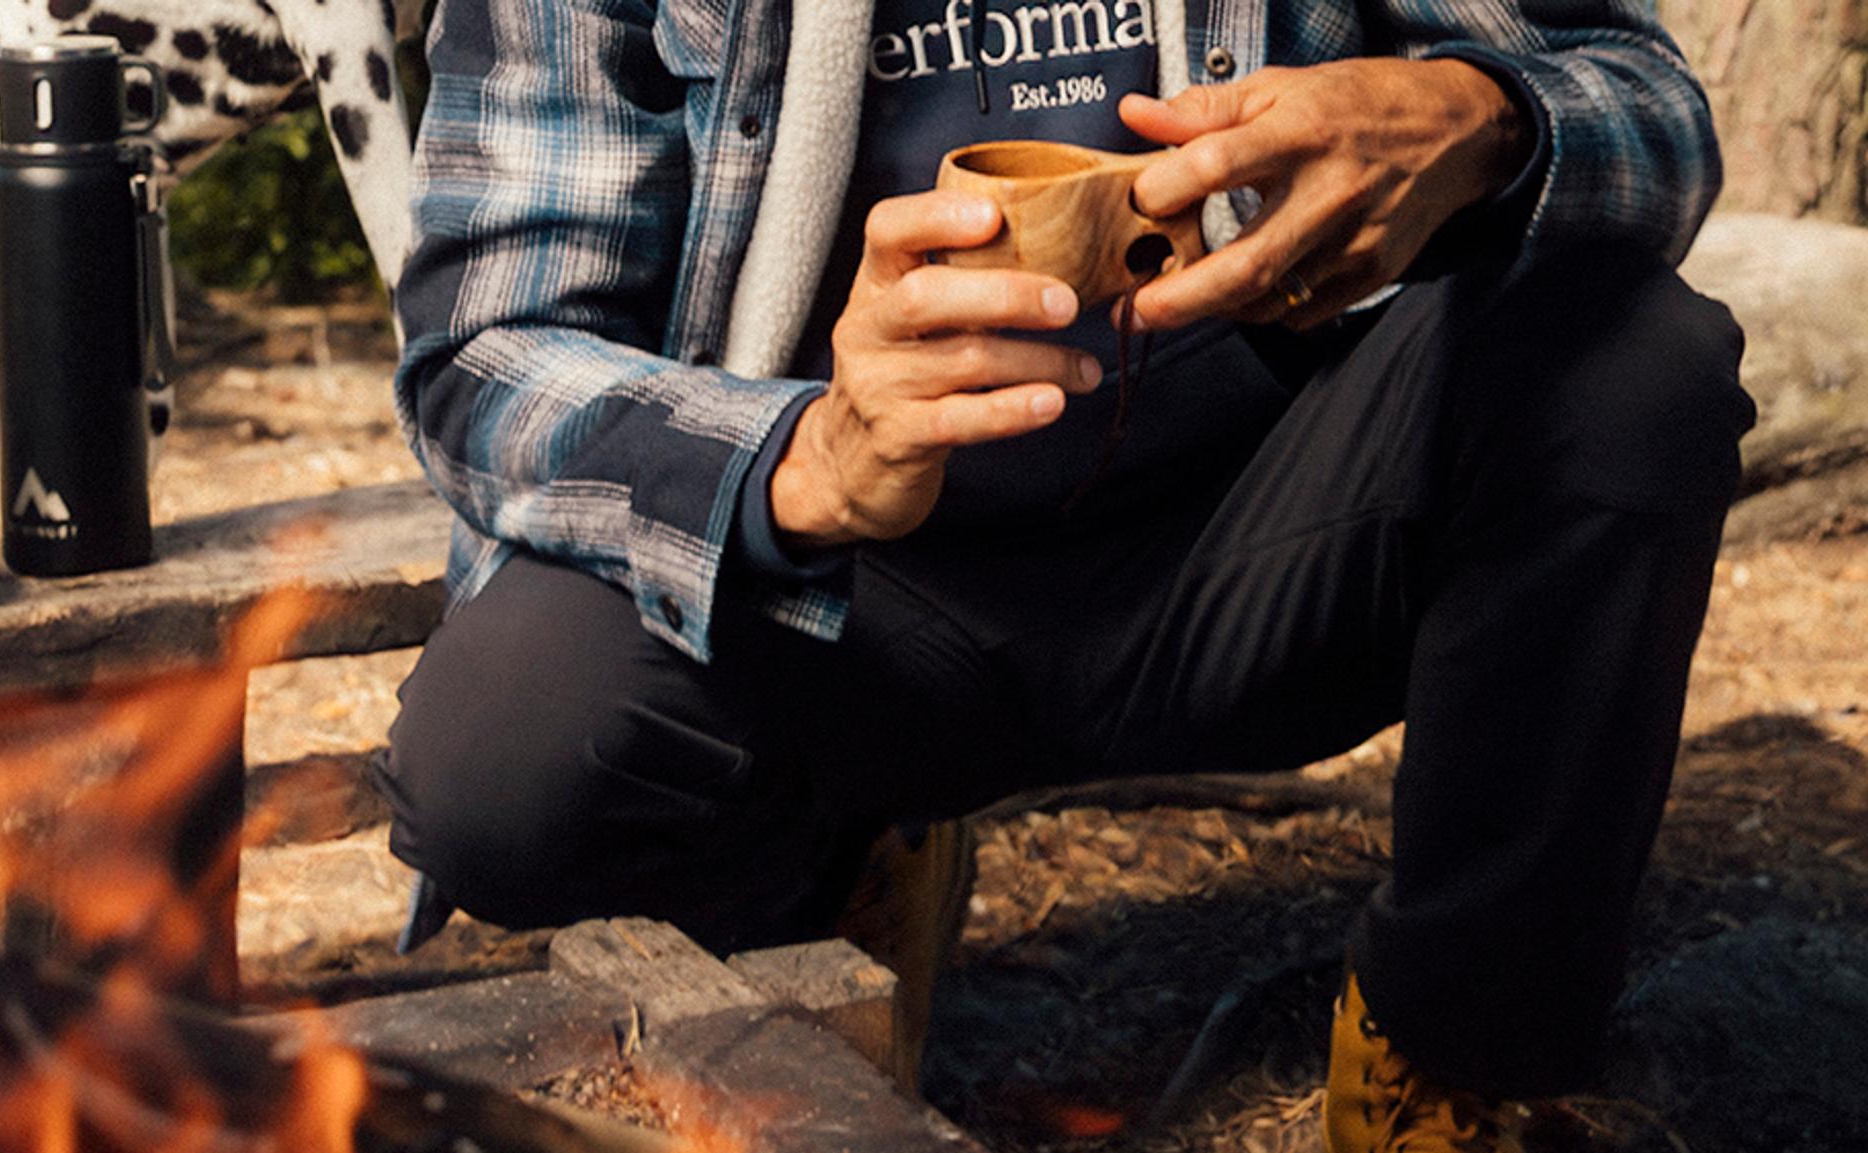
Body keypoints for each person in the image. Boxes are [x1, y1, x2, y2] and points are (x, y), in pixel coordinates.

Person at [373, 1, 1755, 1148]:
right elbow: (484, 351)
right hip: (852, 581)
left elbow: (1653, 110)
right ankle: (815, 896)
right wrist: (804, 462)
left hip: (1266, 527)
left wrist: (1487, 119)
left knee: (1635, 366)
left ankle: (1456, 1048)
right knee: (506, 755)